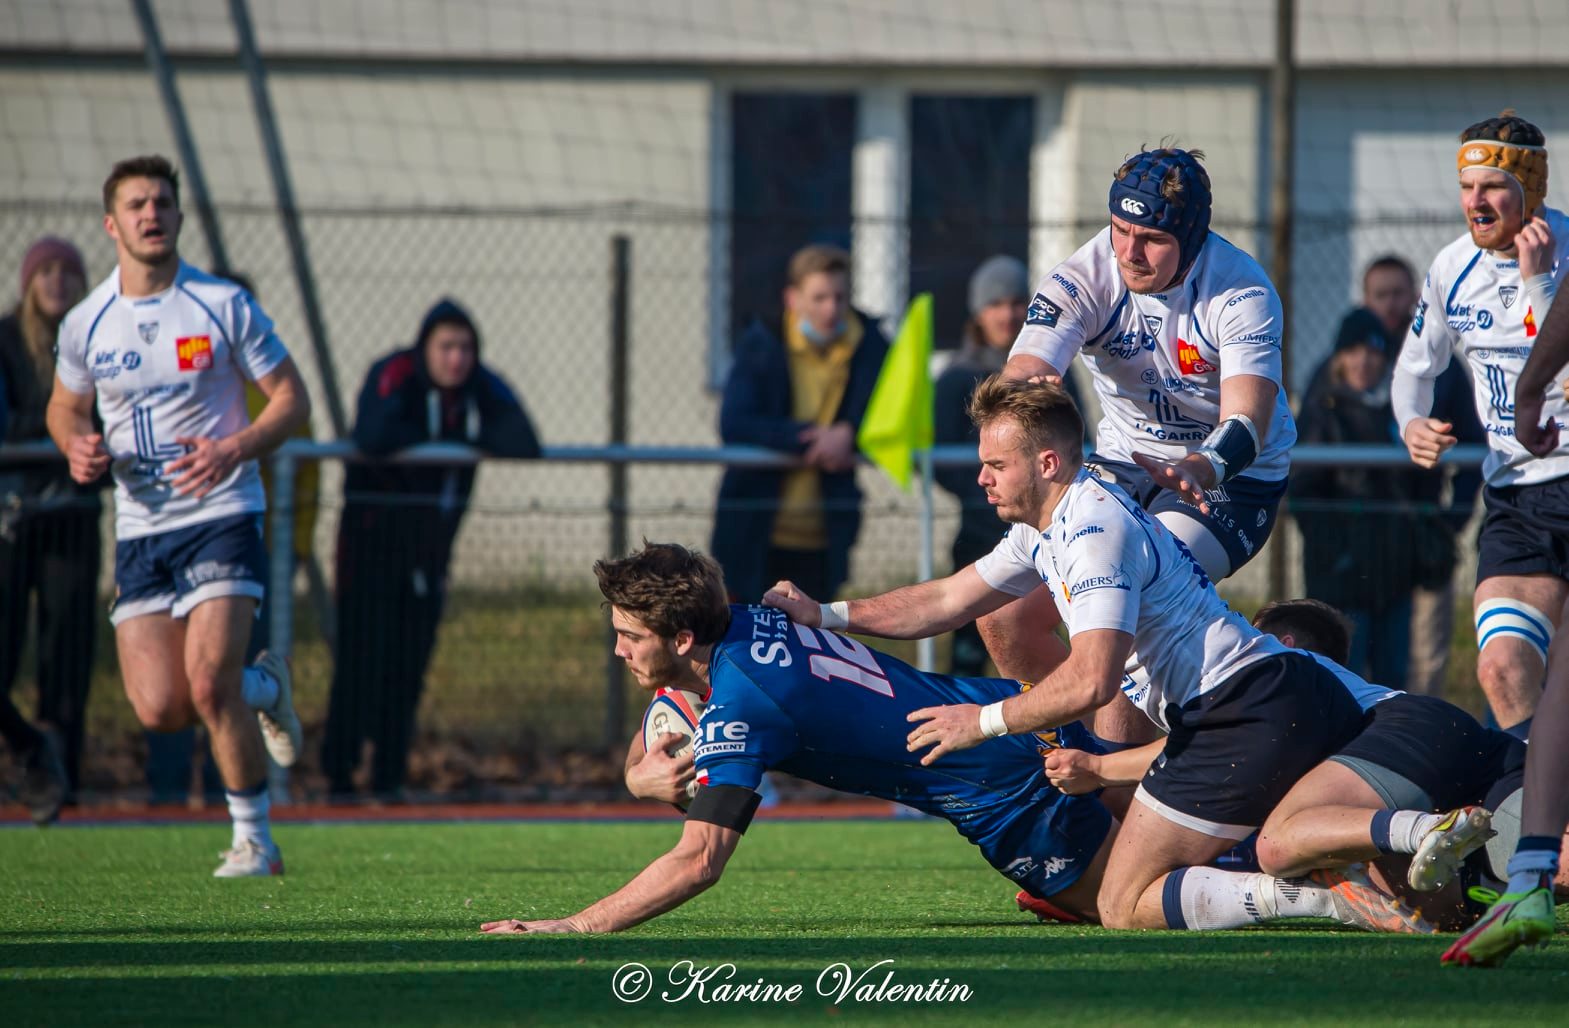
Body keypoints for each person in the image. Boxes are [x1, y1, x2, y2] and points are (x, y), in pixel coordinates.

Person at [764, 376, 1430, 933]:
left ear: (1046, 463)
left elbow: (1091, 680)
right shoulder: (1043, 528)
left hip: (1239, 710)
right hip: (1249, 705)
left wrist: (982, 722)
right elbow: (946, 600)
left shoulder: (1089, 531)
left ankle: (1317, 899)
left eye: (996, 465)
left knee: (1120, 900)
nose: (981, 478)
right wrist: (823, 615)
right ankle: (1364, 859)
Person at [478, 542, 1117, 934]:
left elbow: (699, 861)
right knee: (1191, 825)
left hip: (1004, 798)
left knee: (1137, 905)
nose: (617, 650)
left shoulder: (740, 707)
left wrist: (574, 924)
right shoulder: (739, 621)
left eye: (628, 636)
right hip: (1018, 713)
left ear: (678, 639)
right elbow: (670, 699)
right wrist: (633, 773)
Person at [972, 149, 1296, 754]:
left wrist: (1203, 463)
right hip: (1121, 467)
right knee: (1004, 616)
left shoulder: (1241, 288)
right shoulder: (1087, 272)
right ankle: (1078, 765)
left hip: (1226, 479)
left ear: (1192, 238)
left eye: (1150, 239)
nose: (1128, 252)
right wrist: (1026, 387)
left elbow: (1248, 421)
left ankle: (1132, 807)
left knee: (1124, 616)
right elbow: (1024, 367)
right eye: (1120, 231)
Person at [47, 155, 309, 875]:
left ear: (178, 216)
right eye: (136, 204)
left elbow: (291, 398)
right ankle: (265, 686)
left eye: (162, 201)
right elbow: (65, 406)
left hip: (222, 511)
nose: (151, 213)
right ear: (112, 223)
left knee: (205, 683)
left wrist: (236, 446)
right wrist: (76, 447)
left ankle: (254, 837)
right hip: (140, 527)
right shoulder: (85, 323)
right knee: (162, 707)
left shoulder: (221, 305)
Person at [1393, 111, 1569, 741]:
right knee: (1500, 667)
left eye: (1493, 187)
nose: (1476, 202)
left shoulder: (1566, 256)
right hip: (1518, 499)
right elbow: (1413, 369)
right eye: (1467, 187)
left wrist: (1540, 282)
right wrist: (1411, 423)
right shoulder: (1450, 268)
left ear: (1531, 190)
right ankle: (1540, 816)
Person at [321, 298, 540, 803]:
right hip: (371, 549)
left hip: (429, 559)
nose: (456, 359)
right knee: (360, 664)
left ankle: (389, 777)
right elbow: (374, 433)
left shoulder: (479, 386)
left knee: (408, 668)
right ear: (425, 349)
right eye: (446, 347)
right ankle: (339, 777)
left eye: (465, 348)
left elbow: (525, 438)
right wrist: (441, 438)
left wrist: (467, 436)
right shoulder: (395, 373)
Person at [1443, 214, 1569, 964]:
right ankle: (1531, 872)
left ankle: (1528, 876)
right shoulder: (1450, 271)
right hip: (1526, 497)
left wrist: (1528, 386)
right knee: (1533, 672)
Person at [709, 244, 889, 605]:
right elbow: (735, 422)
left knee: (813, 648)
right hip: (755, 532)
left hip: (826, 532)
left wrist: (849, 434)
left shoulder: (871, 346)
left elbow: (892, 412)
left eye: (839, 296)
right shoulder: (762, 344)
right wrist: (806, 440)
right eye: (819, 297)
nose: (831, 308)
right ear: (792, 298)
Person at [1348, 255, 1485, 698]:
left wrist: (1451, 521)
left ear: (1415, 298)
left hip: (1424, 536)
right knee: (1362, 657)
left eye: (1399, 293)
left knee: (1426, 660)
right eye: (1380, 294)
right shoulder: (1350, 356)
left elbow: (1472, 448)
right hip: (1362, 541)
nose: (1390, 304)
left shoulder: (1441, 366)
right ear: (1366, 299)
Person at [0, 236, 94, 823]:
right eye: (48, 271)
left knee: (67, 651)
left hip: (73, 518)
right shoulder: (6, 340)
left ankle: (66, 779)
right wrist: (64, 426)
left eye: (69, 272)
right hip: (13, 520)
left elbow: (107, 421)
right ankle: (27, 757)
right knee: (5, 650)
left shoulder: (98, 338)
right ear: (30, 282)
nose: (58, 282)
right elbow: (7, 427)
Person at [1292, 309, 1425, 686]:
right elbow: (1304, 487)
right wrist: (1335, 546)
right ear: (1339, 357)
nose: (1363, 360)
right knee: (1342, 674)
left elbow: (1422, 483)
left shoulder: (1402, 410)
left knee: (1392, 677)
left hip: (1395, 566)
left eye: (1372, 351)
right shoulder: (1323, 407)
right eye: (1353, 350)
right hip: (1340, 572)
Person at [933, 255, 1030, 676]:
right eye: (995, 304)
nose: (1007, 314)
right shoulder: (958, 376)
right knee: (970, 655)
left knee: (1033, 649)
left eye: (1016, 302)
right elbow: (941, 458)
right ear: (978, 311)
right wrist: (989, 493)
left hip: (1040, 533)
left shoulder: (1048, 372)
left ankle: (1048, 736)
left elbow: (1074, 437)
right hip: (979, 533)